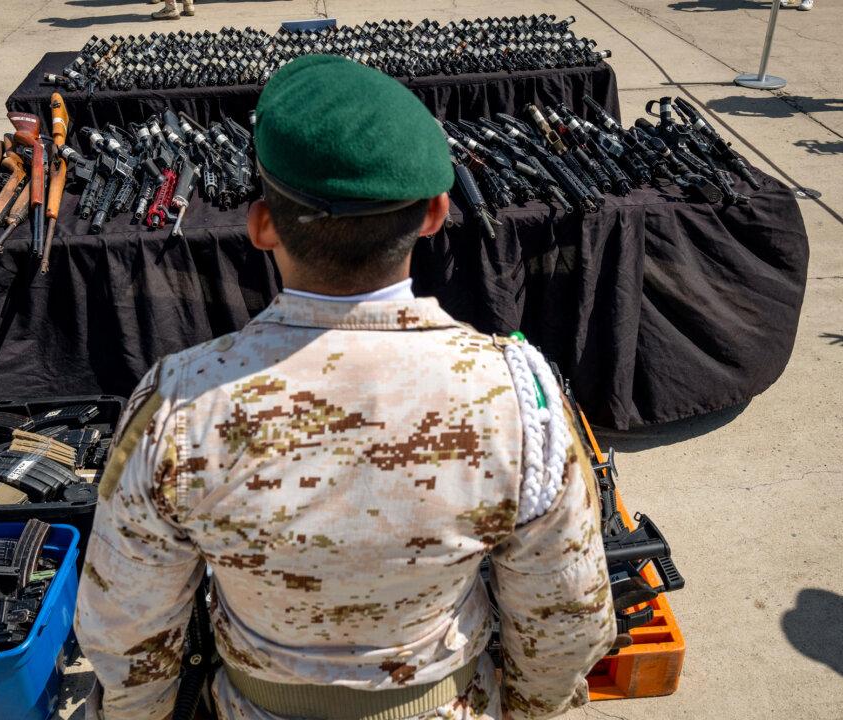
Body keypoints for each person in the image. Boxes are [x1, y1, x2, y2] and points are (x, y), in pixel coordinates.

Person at [76, 54, 616, 720]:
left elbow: (125, 624)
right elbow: (566, 617)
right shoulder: (518, 399)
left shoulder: (178, 405)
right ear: (435, 213)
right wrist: (529, 709)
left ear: (261, 225)